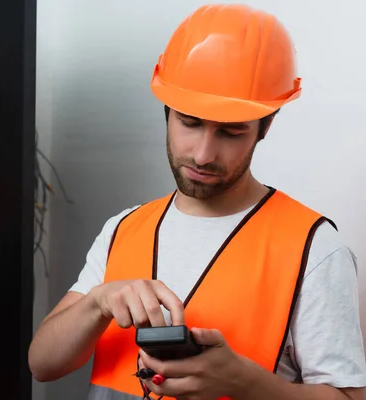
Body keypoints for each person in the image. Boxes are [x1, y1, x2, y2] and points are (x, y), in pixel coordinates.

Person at [28, 3, 366, 400]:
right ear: (167, 110)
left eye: (230, 132)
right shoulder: (124, 228)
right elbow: (42, 364)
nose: (203, 154)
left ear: (265, 125)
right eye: (189, 123)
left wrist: (245, 381)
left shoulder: (314, 248)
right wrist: (97, 303)